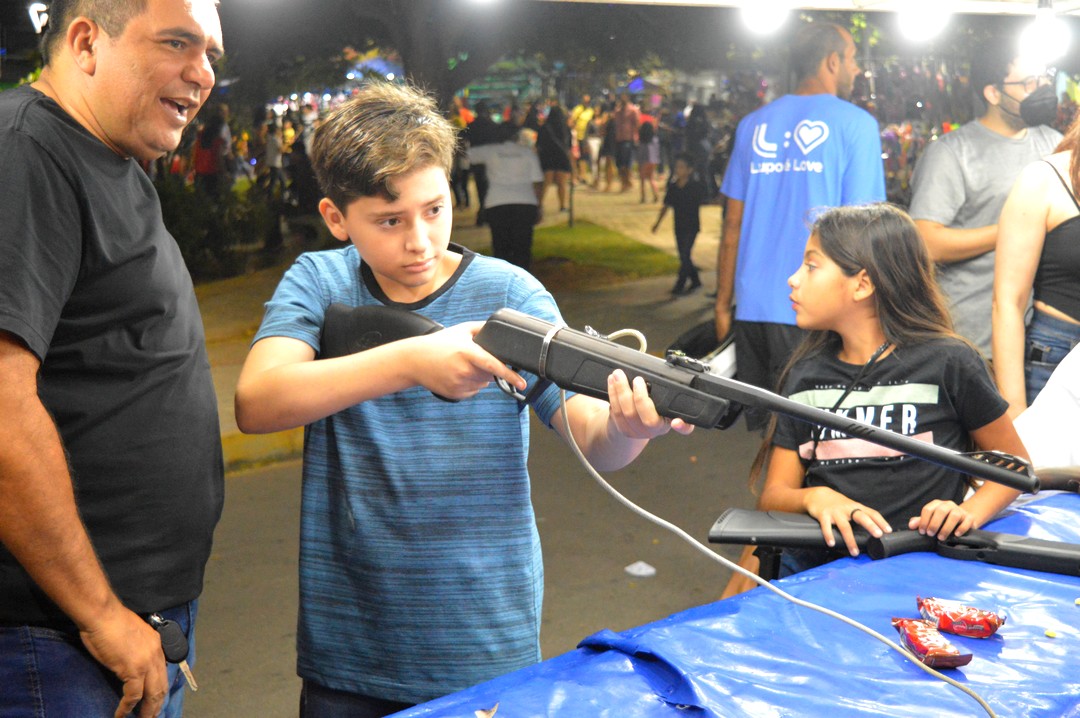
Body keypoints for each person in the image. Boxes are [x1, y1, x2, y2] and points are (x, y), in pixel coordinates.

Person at [232, 82, 692, 718]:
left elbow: (594, 440)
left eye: (435, 209)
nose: (419, 240)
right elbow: (257, 401)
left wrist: (632, 425)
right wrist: (412, 361)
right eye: (389, 221)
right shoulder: (319, 279)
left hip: (484, 637)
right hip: (350, 644)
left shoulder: (512, 291)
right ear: (337, 218)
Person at [0, 1, 225, 717]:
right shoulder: (27, 155)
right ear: (87, 41)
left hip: (124, 628)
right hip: (63, 643)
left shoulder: (112, 156)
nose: (204, 74)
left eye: (213, 54)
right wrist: (99, 613)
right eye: (178, 43)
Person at [721, 204, 1028, 597]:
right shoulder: (805, 375)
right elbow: (774, 496)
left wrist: (965, 512)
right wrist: (816, 496)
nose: (793, 279)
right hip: (819, 585)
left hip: (921, 581)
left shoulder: (949, 362)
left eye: (812, 266)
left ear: (862, 284)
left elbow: (1015, 469)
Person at [714, 22, 886, 431]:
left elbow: (731, 225)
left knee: (772, 443)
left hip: (754, 310)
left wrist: (722, 305)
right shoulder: (856, 124)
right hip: (819, 311)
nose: (857, 70)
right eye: (852, 60)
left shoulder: (753, 124)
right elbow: (864, 232)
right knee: (822, 443)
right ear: (832, 61)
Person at [908, 44, 1061, 356]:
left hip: (1042, 339)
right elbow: (926, 242)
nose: (1041, 89)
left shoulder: (1055, 144)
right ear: (993, 94)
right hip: (972, 338)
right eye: (1028, 83)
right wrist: (1017, 228)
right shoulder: (952, 153)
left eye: (1044, 79)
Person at [992, 112, 1080, 416]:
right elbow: (1007, 303)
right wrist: (1015, 418)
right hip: (1057, 355)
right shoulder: (1043, 179)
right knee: (1048, 464)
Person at [470, 126, 545, 270]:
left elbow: (466, 154)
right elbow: (537, 182)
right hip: (525, 202)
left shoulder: (489, 151)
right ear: (516, 137)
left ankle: (503, 282)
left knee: (500, 247)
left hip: (497, 203)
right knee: (522, 248)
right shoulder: (527, 153)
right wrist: (539, 205)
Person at [652, 153, 708, 295]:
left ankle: (680, 284)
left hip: (692, 225)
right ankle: (695, 280)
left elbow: (703, 200)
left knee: (685, 253)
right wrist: (657, 223)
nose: (678, 170)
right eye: (677, 167)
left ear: (689, 170)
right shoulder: (673, 187)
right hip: (679, 226)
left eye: (682, 167)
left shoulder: (694, 186)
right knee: (683, 255)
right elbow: (667, 205)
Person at [536, 103, 573, 212]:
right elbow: (568, 146)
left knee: (545, 183)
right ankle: (562, 205)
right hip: (561, 158)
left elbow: (539, 144)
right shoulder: (565, 129)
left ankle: (539, 204)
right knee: (562, 183)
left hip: (547, 157)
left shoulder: (544, 128)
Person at [613, 91, 641, 192]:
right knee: (619, 163)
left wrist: (636, 138)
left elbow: (637, 124)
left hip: (628, 139)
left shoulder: (633, 110)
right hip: (618, 139)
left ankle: (626, 182)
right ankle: (625, 181)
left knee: (626, 162)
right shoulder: (617, 111)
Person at [637, 118, 660, 203]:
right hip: (653, 161)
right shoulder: (655, 140)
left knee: (643, 180)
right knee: (651, 178)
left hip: (644, 161)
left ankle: (643, 197)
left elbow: (641, 154)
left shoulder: (643, 142)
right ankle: (656, 194)